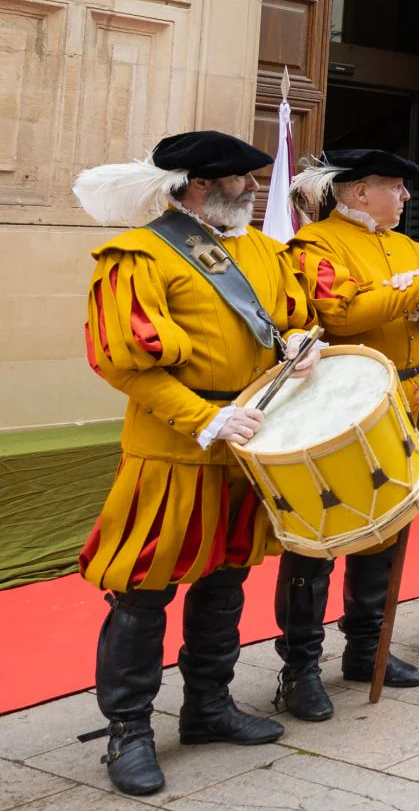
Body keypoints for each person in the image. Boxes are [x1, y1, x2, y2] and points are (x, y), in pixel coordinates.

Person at [71, 131, 318, 796]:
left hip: (249, 442)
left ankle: (208, 708)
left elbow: (294, 315)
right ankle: (128, 731)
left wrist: (299, 339)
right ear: (201, 186)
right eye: (242, 179)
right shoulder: (138, 255)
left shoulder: (267, 251)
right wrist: (204, 417)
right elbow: (121, 358)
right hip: (174, 448)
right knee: (144, 591)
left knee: (225, 580)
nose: (254, 188)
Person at [274, 149, 419, 721]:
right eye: (395, 186)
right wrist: (415, 292)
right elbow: (339, 312)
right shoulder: (316, 246)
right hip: (341, 404)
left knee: (386, 529)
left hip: (404, 397)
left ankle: (366, 648)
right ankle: (300, 667)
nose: (407, 197)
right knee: (323, 531)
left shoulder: (408, 246)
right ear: (358, 191)